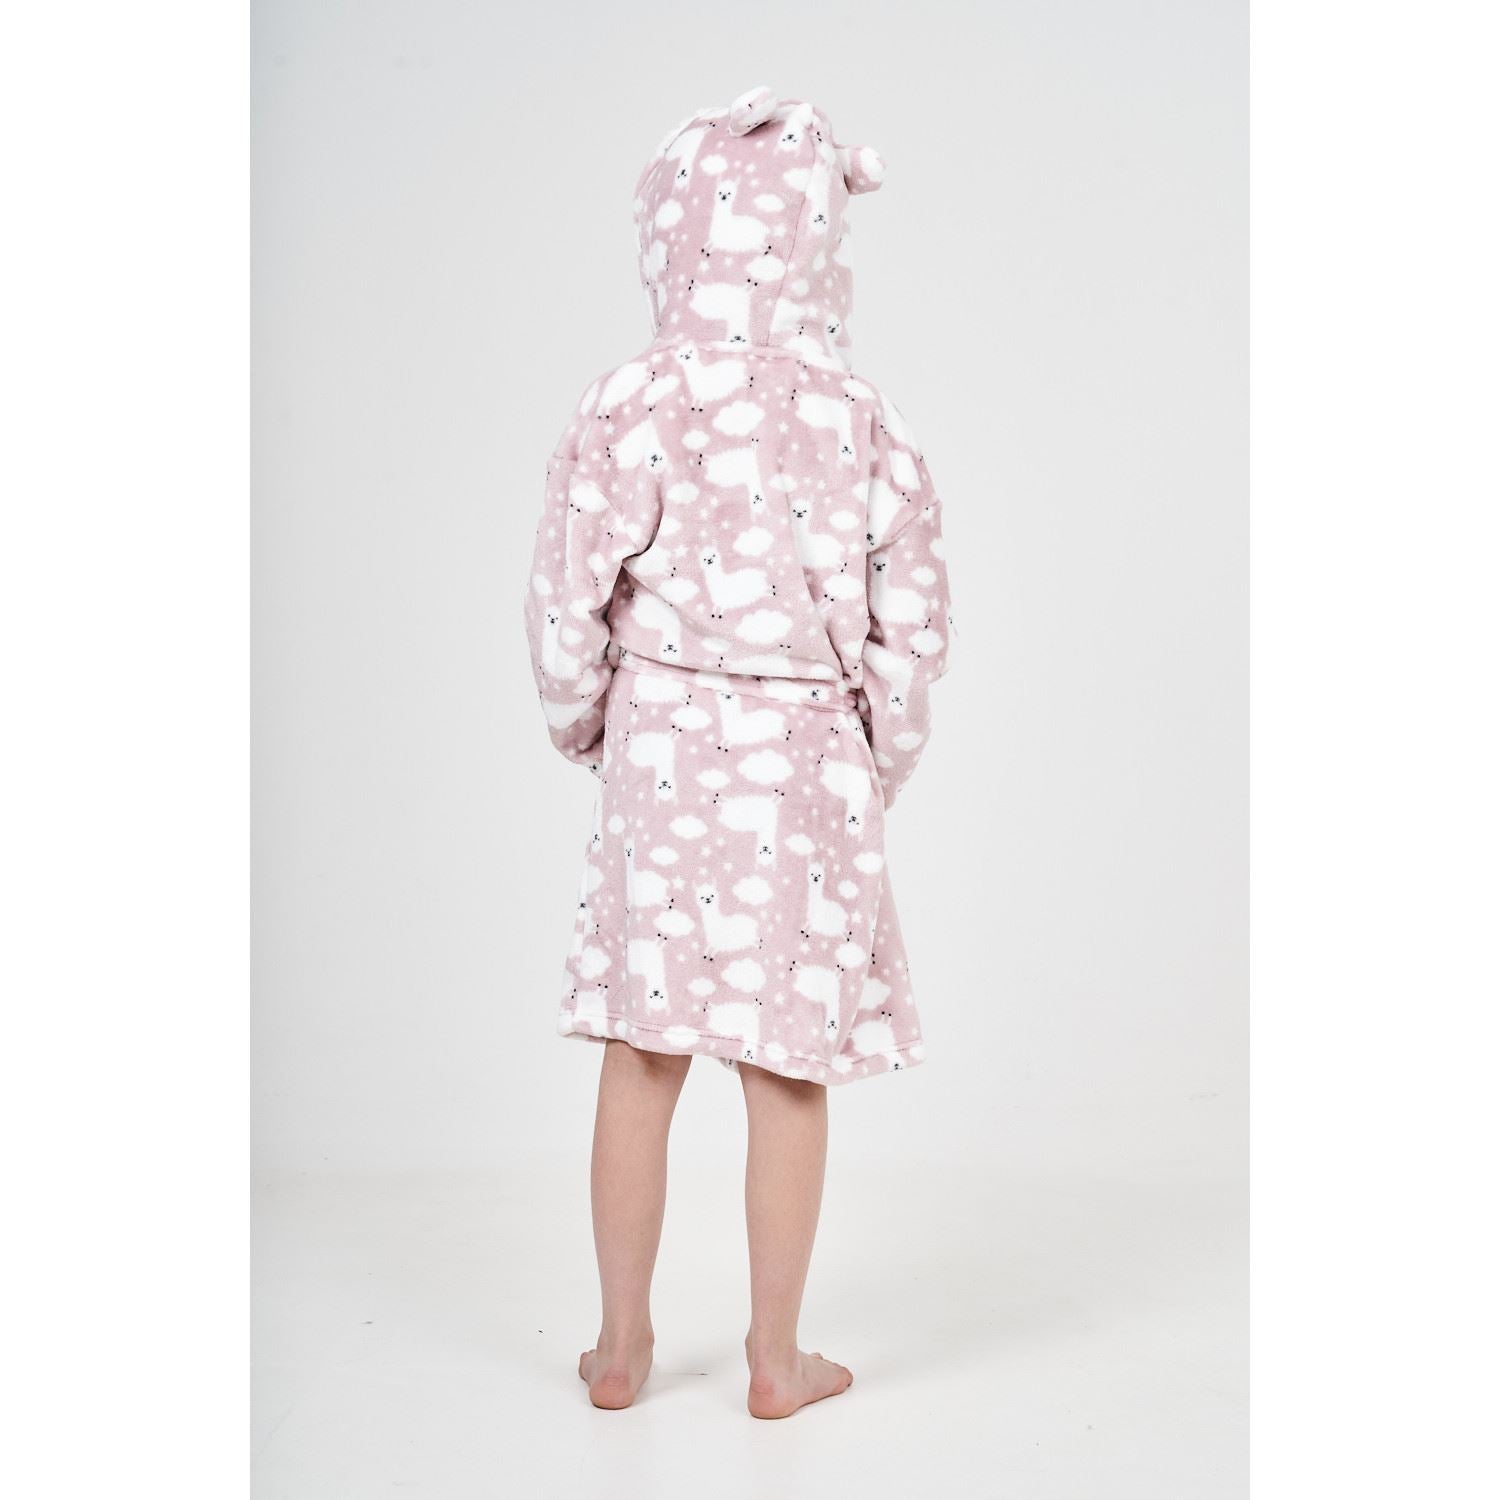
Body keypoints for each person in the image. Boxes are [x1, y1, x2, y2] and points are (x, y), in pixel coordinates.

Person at [523, 86, 954, 1418]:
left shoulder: (628, 404)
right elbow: (914, 629)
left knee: (641, 1055)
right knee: (786, 1069)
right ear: (820, 246)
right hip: (809, 757)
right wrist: (873, 762)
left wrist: (588, 723)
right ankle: (776, 1359)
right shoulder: (863, 421)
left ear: (669, 238)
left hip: (659, 743)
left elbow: (563, 603)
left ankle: (618, 1347)